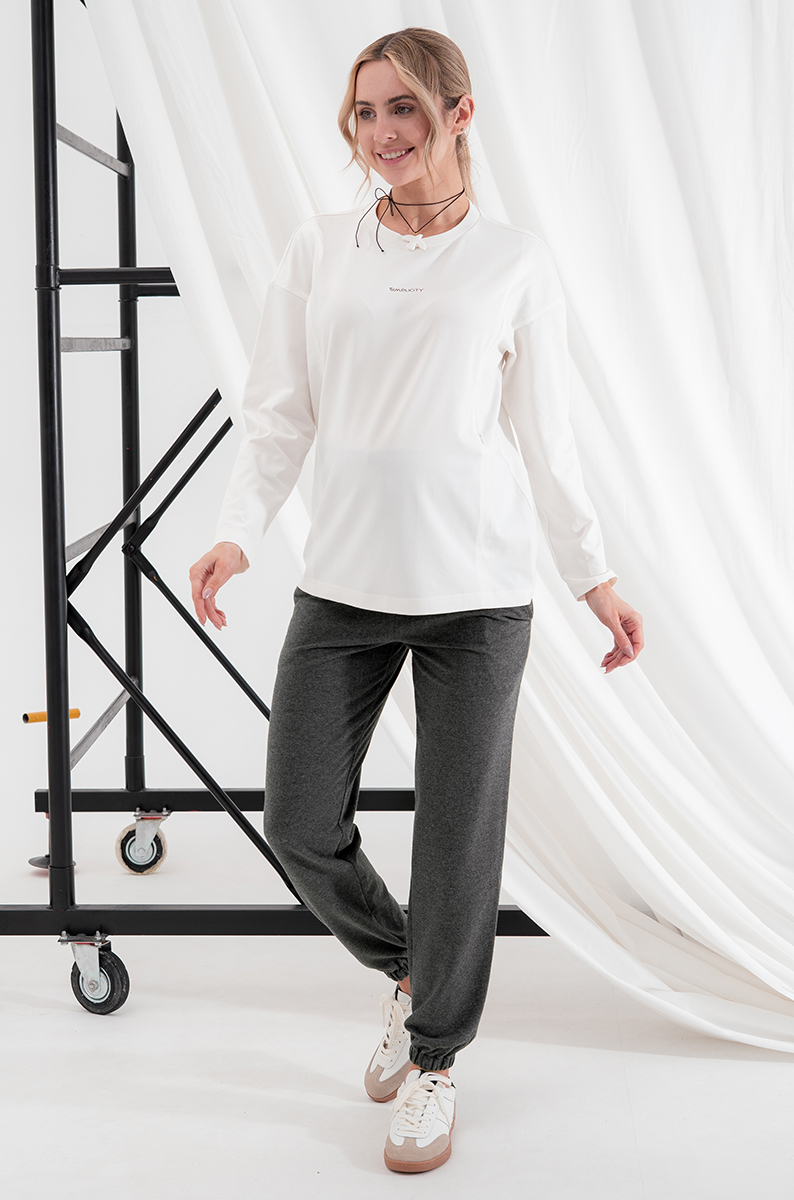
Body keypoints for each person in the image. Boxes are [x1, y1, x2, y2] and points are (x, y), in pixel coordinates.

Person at [189, 26, 644, 1175]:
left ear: (458, 113)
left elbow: (545, 438)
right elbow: (278, 413)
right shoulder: (318, 249)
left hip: (476, 595)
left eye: (402, 108)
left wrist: (591, 578)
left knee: (455, 843)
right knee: (298, 822)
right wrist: (237, 533)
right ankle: (409, 968)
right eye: (363, 112)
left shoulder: (511, 261)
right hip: (343, 583)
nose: (380, 133)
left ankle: (434, 1057)